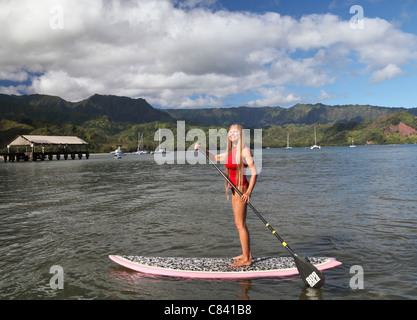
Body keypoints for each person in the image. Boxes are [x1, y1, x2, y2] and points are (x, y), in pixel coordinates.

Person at [195, 124, 257, 267]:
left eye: (235, 132)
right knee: (238, 223)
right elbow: (215, 157)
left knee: (240, 224)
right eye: (230, 132)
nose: (232, 133)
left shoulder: (245, 150)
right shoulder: (231, 150)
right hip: (233, 189)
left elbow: (254, 173)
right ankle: (246, 252)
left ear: (240, 134)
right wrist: (201, 149)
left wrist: (248, 192)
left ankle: (247, 259)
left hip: (241, 189)